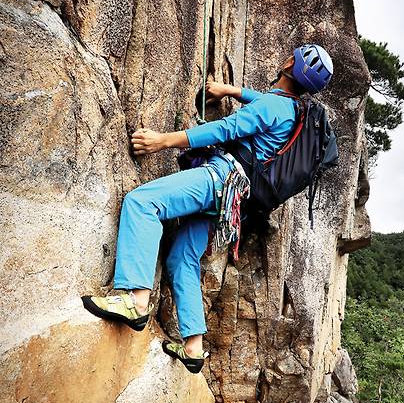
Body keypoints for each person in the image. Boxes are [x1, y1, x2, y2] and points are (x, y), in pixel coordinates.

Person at [82, 44, 333, 373]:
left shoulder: (274, 105)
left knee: (142, 203)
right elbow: (261, 100)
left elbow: (224, 129)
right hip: (234, 204)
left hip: (221, 179)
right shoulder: (291, 110)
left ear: (289, 64)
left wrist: (163, 140)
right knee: (182, 257)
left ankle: (135, 299)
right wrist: (229, 89)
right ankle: (193, 346)